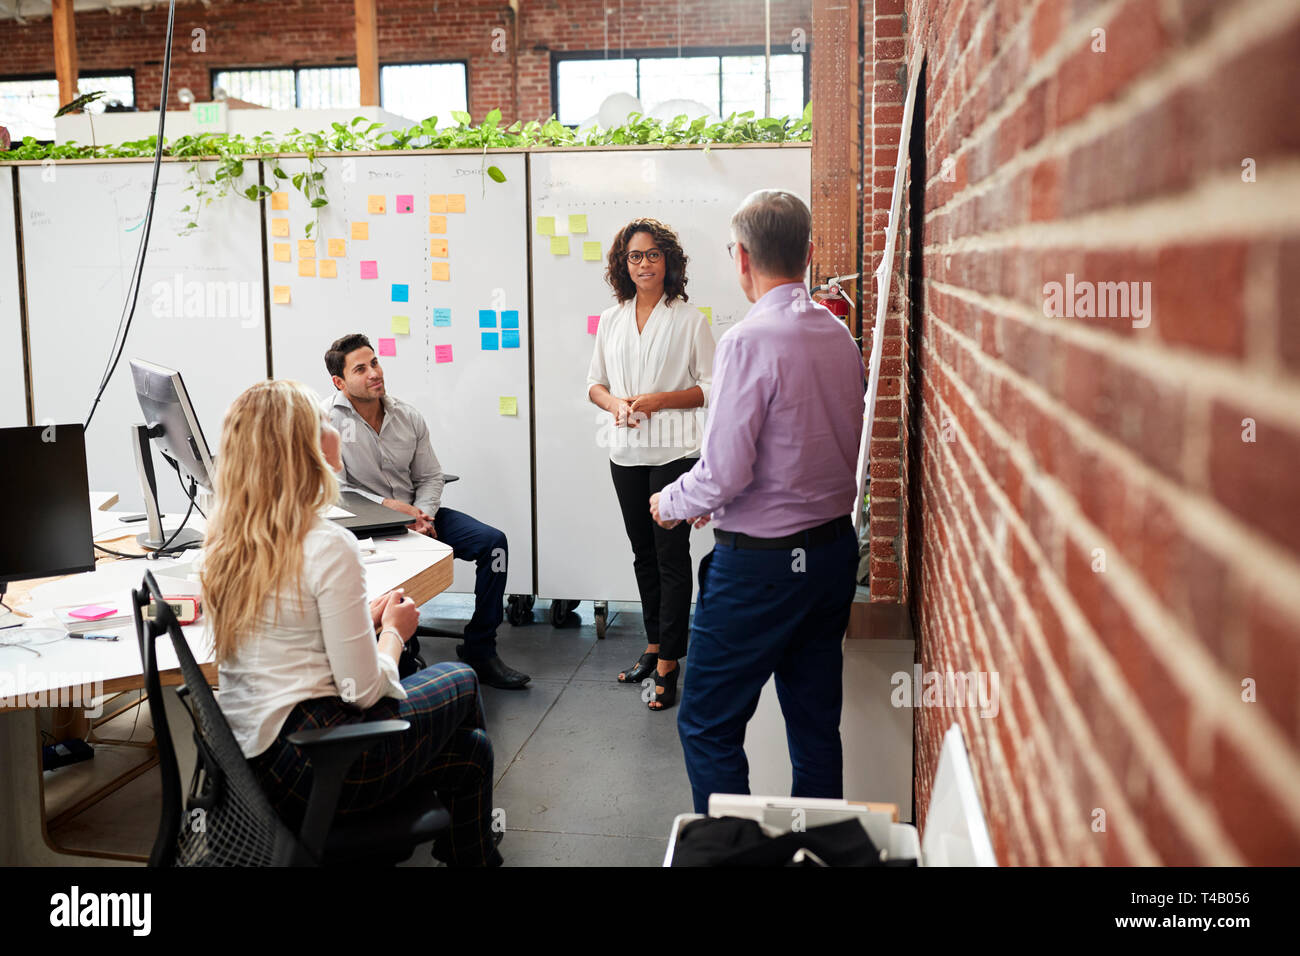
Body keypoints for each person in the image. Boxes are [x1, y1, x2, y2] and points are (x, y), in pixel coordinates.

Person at [202, 379, 502, 866]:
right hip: (317, 762)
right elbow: (362, 692)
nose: (334, 428)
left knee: (472, 751)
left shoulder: (229, 539)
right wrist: (394, 632)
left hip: (256, 763)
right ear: (303, 447)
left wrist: (362, 617)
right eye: (322, 422)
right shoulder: (326, 544)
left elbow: (291, 634)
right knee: (462, 679)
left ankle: (473, 853)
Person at [650, 190, 865, 813]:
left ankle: (733, 853)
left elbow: (722, 474)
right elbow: (810, 448)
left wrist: (671, 500)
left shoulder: (747, 341)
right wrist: (712, 497)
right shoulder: (839, 336)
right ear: (810, 253)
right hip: (831, 557)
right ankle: (816, 848)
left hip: (761, 570)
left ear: (741, 257)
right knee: (815, 728)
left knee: (707, 724)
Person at [324, 333, 530, 690]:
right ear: (339, 382)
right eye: (360, 369)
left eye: (375, 362)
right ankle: (399, 651)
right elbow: (336, 489)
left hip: (420, 517)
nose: (374, 373)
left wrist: (421, 514)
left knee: (494, 545)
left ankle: (481, 646)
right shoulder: (325, 422)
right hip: (369, 528)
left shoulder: (407, 416)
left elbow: (431, 476)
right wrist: (391, 508)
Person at [587, 218, 716, 711]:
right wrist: (614, 404)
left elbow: (712, 387)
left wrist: (661, 400)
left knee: (670, 556)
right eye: (635, 256)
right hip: (625, 454)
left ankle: (669, 664)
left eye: (653, 255)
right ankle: (654, 644)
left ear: (668, 262)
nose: (644, 264)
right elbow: (595, 383)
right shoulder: (611, 319)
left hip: (674, 455)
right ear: (624, 264)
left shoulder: (689, 320)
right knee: (643, 554)